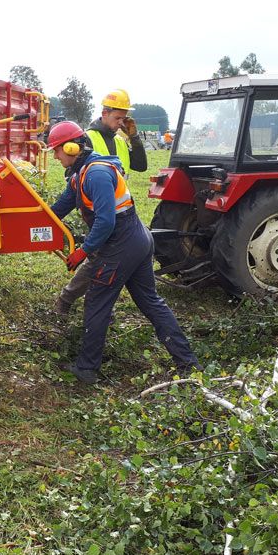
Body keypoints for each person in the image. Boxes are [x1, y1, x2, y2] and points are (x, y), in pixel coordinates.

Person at [46, 120, 201, 384]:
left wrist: (83, 251)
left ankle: (86, 369)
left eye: (57, 150)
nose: (55, 156)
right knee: (151, 302)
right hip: (134, 240)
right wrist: (35, 220)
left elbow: (106, 222)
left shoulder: (95, 174)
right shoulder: (80, 174)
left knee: (97, 302)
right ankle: (187, 363)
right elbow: (58, 209)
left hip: (122, 242)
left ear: (72, 147)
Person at [54, 89, 147, 315]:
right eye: (117, 118)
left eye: (124, 119)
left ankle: (84, 304)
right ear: (104, 113)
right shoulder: (87, 139)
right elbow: (72, 191)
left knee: (101, 261)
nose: (121, 123)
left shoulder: (120, 141)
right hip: (95, 208)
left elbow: (141, 165)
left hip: (116, 213)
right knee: (100, 258)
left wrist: (134, 137)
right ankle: (78, 302)